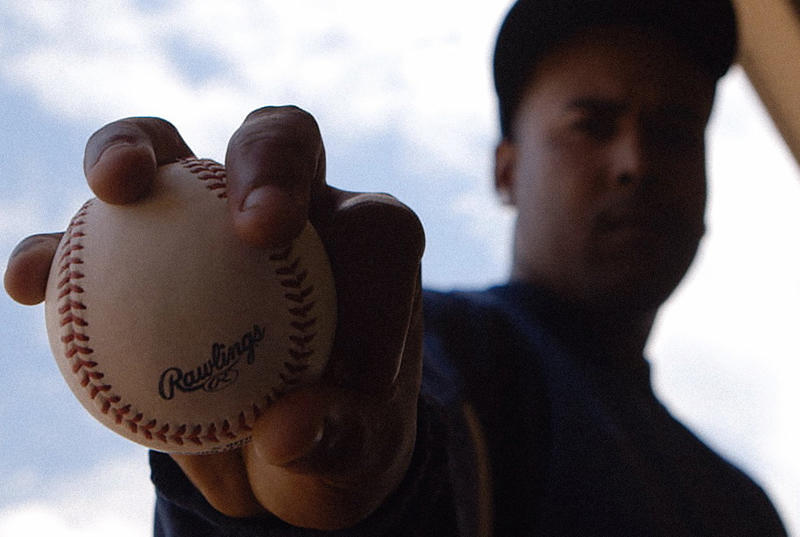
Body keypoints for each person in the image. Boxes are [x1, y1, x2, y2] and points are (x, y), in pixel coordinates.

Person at [4, 0, 790, 535]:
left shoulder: (746, 506)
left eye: (677, 130)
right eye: (592, 123)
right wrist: (324, 503)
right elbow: (417, 431)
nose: (635, 162)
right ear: (507, 171)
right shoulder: (436, 346)